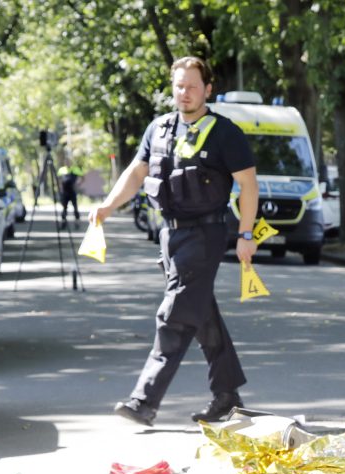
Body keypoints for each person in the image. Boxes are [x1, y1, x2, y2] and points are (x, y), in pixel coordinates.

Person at [89, 56, 259, 426]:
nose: (185, 93)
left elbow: (248, 185)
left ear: (208, 89)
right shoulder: (159, 128)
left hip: (205, 234)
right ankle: (227, 396)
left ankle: (144, 401)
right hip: (169, 235)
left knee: (175, 316)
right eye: (179, 86)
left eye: (192, 86)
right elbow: (137, 173)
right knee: (201, 314)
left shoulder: (225, 133)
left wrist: (246, 234)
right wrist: (108, 206)